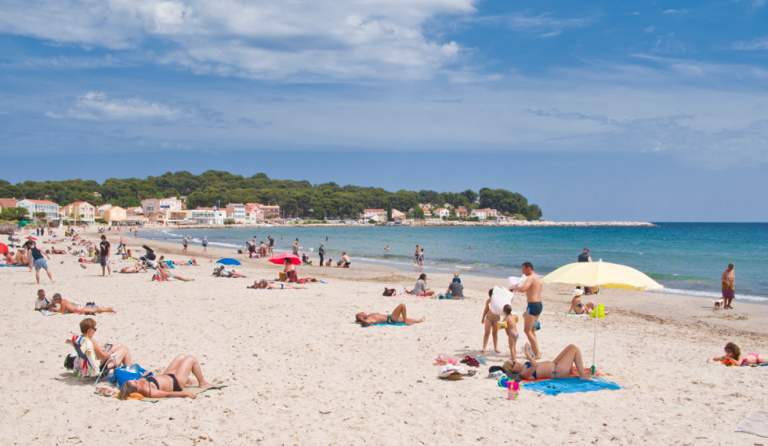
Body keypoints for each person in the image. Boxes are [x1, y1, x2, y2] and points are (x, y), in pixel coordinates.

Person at [117, 354, 214, 400]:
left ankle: (188, 380)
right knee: (191, 359)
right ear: (136, 388)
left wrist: (144, 375)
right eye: (135, 382)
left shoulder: (139, 383)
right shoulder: (149, 391)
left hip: (167, 375)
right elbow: (167, 394)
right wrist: (185, 394)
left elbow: (124, 391)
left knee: (182, 357)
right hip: (176, 382)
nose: (135, 380)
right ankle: (202, 383)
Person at [510, 262, 543, 359]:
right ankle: (535, 351)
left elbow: (524, 289)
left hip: (533, 305)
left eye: (523, 269)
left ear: (529, 268)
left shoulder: (531, 277)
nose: (522, 272)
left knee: (527, 330)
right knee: (532, 330)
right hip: (538, 304)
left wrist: (514, 287)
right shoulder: (539, 277)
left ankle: (537, 353)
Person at [509, 343, 592, 380]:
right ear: (513, 369)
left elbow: (535, 362)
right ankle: (582, 375)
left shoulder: (524, 366)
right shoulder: (523, 374)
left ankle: (569, 370)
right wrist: (527, 354)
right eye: (514, 363)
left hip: (555, 365)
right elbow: (535, 366)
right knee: (575, 350)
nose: (515, 361)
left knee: (571, 346)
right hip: (557, 371)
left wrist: (530, 352)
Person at [355, 303, 425, 326]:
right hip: (390, 320)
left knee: (405, 318)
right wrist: (362, 320)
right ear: (361, 317)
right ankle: (407, 322)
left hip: (389, 317)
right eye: (361, 313)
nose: (362, 312)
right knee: (402, 305)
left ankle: (419, 321)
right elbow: (368, 323)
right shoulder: (369, 319)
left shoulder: (369, 315)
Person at [481, 289, 501, 354]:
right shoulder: (488, 301)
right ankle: (484, 347)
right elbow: (486, 309)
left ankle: (496, 348)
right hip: (489, 318)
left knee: (495, 333)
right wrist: (483, 317)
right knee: (487, 333)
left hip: (497, 318)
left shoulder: (499, 301)